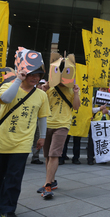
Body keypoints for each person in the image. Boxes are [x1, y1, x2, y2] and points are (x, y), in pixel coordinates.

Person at [0, 68, 51, 216]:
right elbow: (6, 99)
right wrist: (18, 80)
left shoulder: (41, 95)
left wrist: (42, 136)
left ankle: (8, 209)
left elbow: (42, 117)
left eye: (38, 75)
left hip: (22, 143)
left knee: (14, 179)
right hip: (2, 140)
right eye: (32, 74)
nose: (35, 78)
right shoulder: (7, 86)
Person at [38, 81, 80, 199]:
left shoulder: (72, 89)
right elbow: (39, 103)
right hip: (47, 123)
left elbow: (76, 106)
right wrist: (43, 90)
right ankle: (51, 181)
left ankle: (47, 185)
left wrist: (76, 93)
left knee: (54, 155)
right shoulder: (50, 87)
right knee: (47, 155)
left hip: (62, 124)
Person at [87, 87, 110, 165]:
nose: (103, 91)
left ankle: (103, 158)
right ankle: (90, 158)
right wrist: (99, 108)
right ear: (98, 90)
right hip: (95, 121)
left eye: (105, 89)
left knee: (104, 141)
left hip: (106, 122)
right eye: (101, 89)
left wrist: (107, 111)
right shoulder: (93, 99)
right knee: (92, 141)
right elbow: (89, 109)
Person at [30, 78, 46, 165]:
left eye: (42, 84)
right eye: (39, 84)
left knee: (37, 138)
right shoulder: (31, 92)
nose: (40, 86)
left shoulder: (45, 95)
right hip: (30, 119)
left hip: (39, 120)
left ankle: (35, 157)